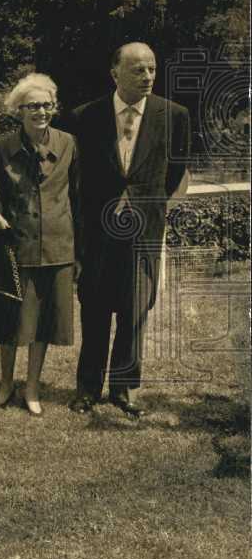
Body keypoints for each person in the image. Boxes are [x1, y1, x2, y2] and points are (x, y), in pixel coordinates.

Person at [61, 42, 190, 418]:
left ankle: (125, 388)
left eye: (152, 69)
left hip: (144, 232)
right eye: (138, 70)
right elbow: (77, 177)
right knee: (95, 310)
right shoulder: (85, 117)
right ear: (115, 73)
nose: (148, 77)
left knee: (135, 311)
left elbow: (175, 172)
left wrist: (144, 203)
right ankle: (87, 388)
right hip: (98, 232)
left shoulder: (174, 115)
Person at [0, 73, 81, 416]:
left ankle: (32, 386)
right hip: (15, 245)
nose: (41, 111)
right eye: (33, 105)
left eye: (47, 104)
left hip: (57, 245)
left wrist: (77, 250)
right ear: (18, 109)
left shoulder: (68, 143)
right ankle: (6, 383)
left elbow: (78, 196)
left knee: (45, 323)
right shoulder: (0, 148)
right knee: (10, 319)